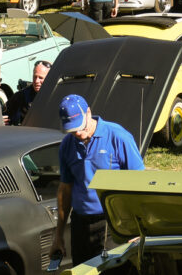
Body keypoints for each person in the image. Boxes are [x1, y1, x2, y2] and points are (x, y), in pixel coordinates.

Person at [52, 94, 145, 265]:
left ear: (88, 113)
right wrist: (58, 235)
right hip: (80, 225)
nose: (78, 134)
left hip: (113, 224)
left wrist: (138, 229)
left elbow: (140, 184)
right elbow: (65, 190)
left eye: (80, 127)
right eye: (72, 130)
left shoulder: (118, 137)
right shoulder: (66, 145)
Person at [7, 61, 49, 126]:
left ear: (49, 78)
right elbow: (4, 112)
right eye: (35, 77)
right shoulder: (21, 96)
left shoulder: (56, 96)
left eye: (41, 78)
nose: (36, 81)